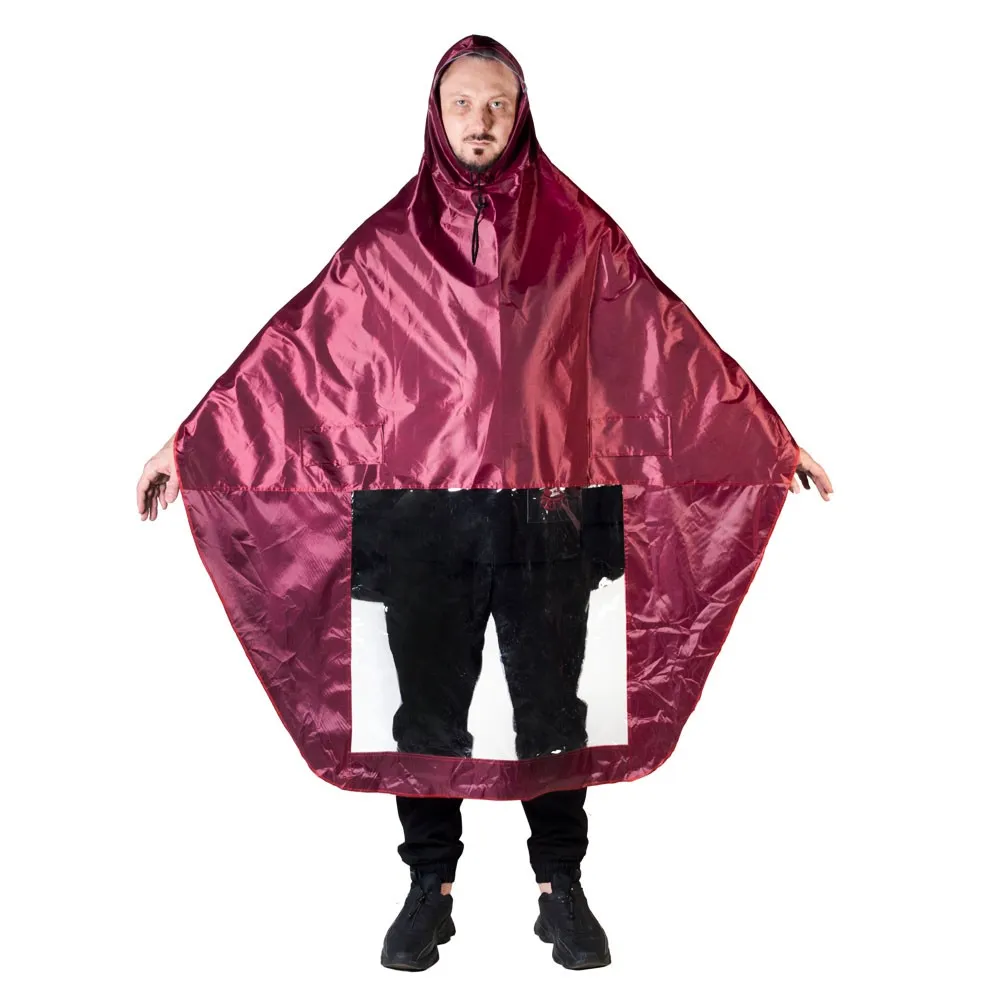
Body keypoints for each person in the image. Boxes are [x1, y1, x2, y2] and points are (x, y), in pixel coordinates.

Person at [136, 36, 834, 972]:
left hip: (548, 514)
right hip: (420, 517)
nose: (480, 122)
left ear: (522, 112)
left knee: (552, 705)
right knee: (424, 709)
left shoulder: (579, 236)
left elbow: (664, 339)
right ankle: (430, 888)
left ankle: (561, 888)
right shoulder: (386, 246)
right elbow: (297, 354)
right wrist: (191, 445)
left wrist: (766, 438)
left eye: (497, 104)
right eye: (463, 104)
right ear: (437, 114)